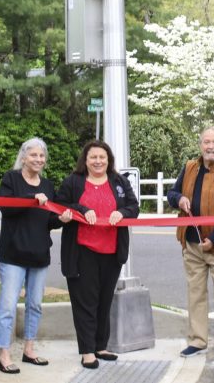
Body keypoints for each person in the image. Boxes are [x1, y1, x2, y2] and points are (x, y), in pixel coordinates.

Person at [55, 140, 139, 369]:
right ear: (86, 159)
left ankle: (101, 346)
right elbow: (59, 206)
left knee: (104, 301)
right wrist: (82, 210)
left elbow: (134, 207)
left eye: (102, 157)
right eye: (93, 157)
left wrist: (121, 213)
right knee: (85, 303)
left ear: (108, 160)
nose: (98, 161)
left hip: (112, 252)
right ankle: (87, 351)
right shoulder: (74, 181)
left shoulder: (119, 181)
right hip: (83, 252)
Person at [167, 126, 214, 359]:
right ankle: (197, 340)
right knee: (196, 293)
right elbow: (171, 193)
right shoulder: (189, 167)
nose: (210, 146)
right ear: (200, 144)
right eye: (206, 142)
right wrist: (179, 199)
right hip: (191, 243)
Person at [0, 138, 63, 375]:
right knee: (7, 306)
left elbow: (48, 221)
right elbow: (6, 208)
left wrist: (60, 219)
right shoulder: (11, 179)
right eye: (34, 155)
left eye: (42, 156)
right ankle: (3, 354)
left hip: (39, 255)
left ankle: (29, 349)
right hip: (13, 255)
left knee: (34, 304)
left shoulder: (48, 184)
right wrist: (32, 200)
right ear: (23, 157)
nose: (38, 160)